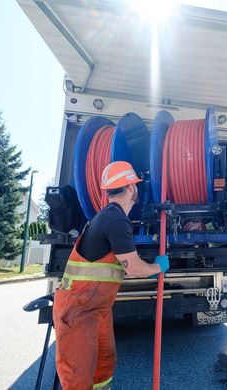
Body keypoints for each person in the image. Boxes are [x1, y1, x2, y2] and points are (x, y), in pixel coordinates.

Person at [53, 161, 169, 390]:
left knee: (103, 367)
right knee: (78, 379)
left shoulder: (107, 216)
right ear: (132, 188)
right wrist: (157, 267)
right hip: (78, 310)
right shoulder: (115, 220)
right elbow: (133, 268)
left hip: (96, 308)